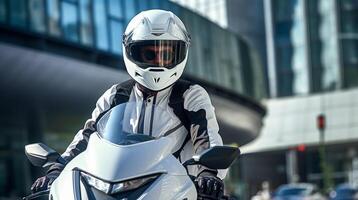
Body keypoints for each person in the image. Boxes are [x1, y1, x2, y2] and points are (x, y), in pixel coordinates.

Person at [31, 9, 226, 199]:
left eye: (167, 54)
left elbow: (206, 138)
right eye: (148, 54)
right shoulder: (117, 94)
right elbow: (87, 136)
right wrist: (57, 169)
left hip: (176, 188)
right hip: (115, 187)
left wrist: (207, 173)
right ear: (130, 51)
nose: (158, 61)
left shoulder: (190, 95)